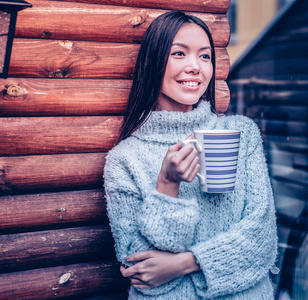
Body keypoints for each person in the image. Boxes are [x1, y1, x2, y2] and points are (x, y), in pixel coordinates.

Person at [103, 10, 278, 299]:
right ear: (153, 62)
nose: (195, 67)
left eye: (205, 56)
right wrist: (167, 184)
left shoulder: (241, 134)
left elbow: (262, 240)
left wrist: (186, 263)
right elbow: (142, 270)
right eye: (179, 54)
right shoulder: (125, 159)